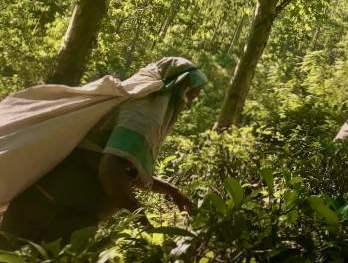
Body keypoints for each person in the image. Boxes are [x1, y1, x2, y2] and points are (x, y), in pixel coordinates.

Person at [0, 57, 207, 246]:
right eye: (190, 95)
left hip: (61, 213)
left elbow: (125, 168)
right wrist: (143, 221)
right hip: (49, 214)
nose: (187, 105)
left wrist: (171, 190)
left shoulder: (137, 108)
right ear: (176, 89)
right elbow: (110, 170)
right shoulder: (142, 113)